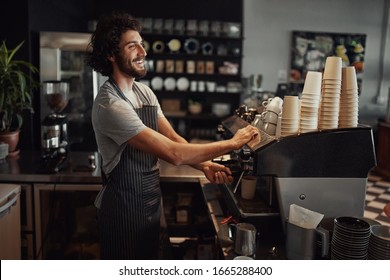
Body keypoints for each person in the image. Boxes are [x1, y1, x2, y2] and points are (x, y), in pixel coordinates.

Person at [86, 11, 260, 260]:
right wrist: (233, 143)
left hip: (151, 204)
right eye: (132, 46)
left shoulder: (144, 93)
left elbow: (175, 140)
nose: (143, 52)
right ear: (111, 54)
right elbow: (174, 154)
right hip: (122, 211)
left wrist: (204, 166)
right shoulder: (110, 105)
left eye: (142, 44)